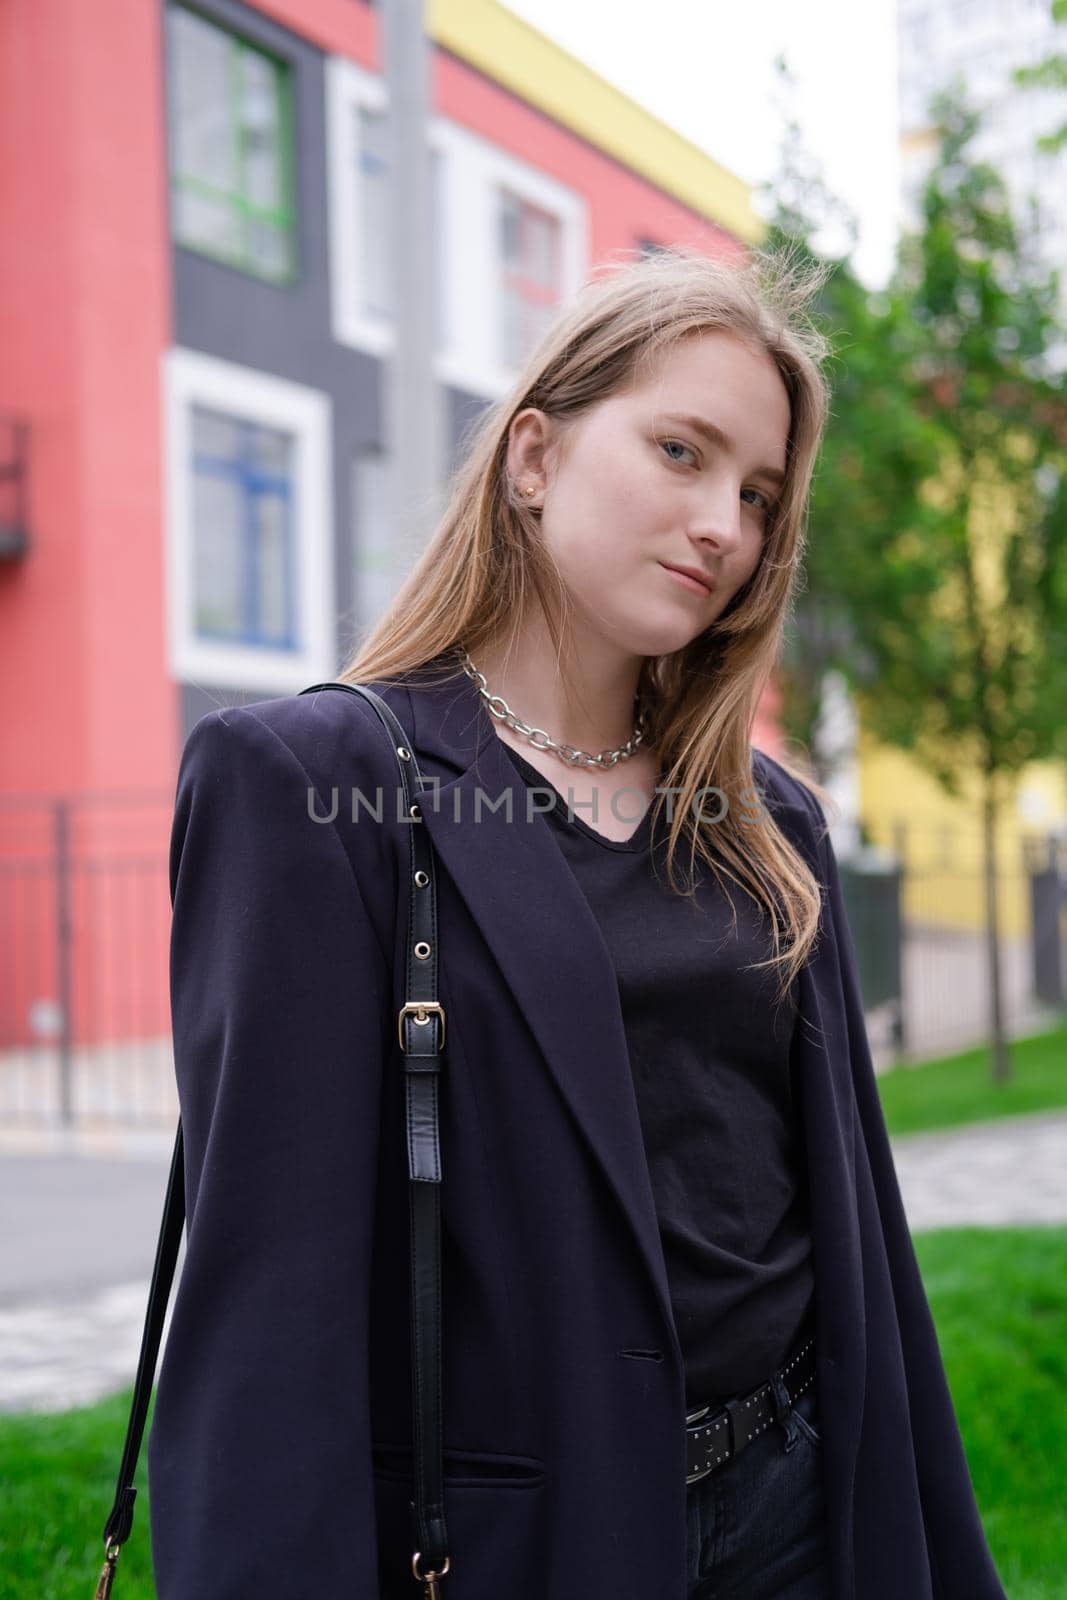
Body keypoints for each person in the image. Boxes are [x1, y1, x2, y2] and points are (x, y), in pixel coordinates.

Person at [147, 246, 1007, 1599]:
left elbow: (860, 1235)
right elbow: (269, 1318)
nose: (726, 521)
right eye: (682, 450)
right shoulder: (319, 785)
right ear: (534, 457)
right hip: (528, 1540)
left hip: (797, 1493)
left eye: (759, 494)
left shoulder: (772, 820)